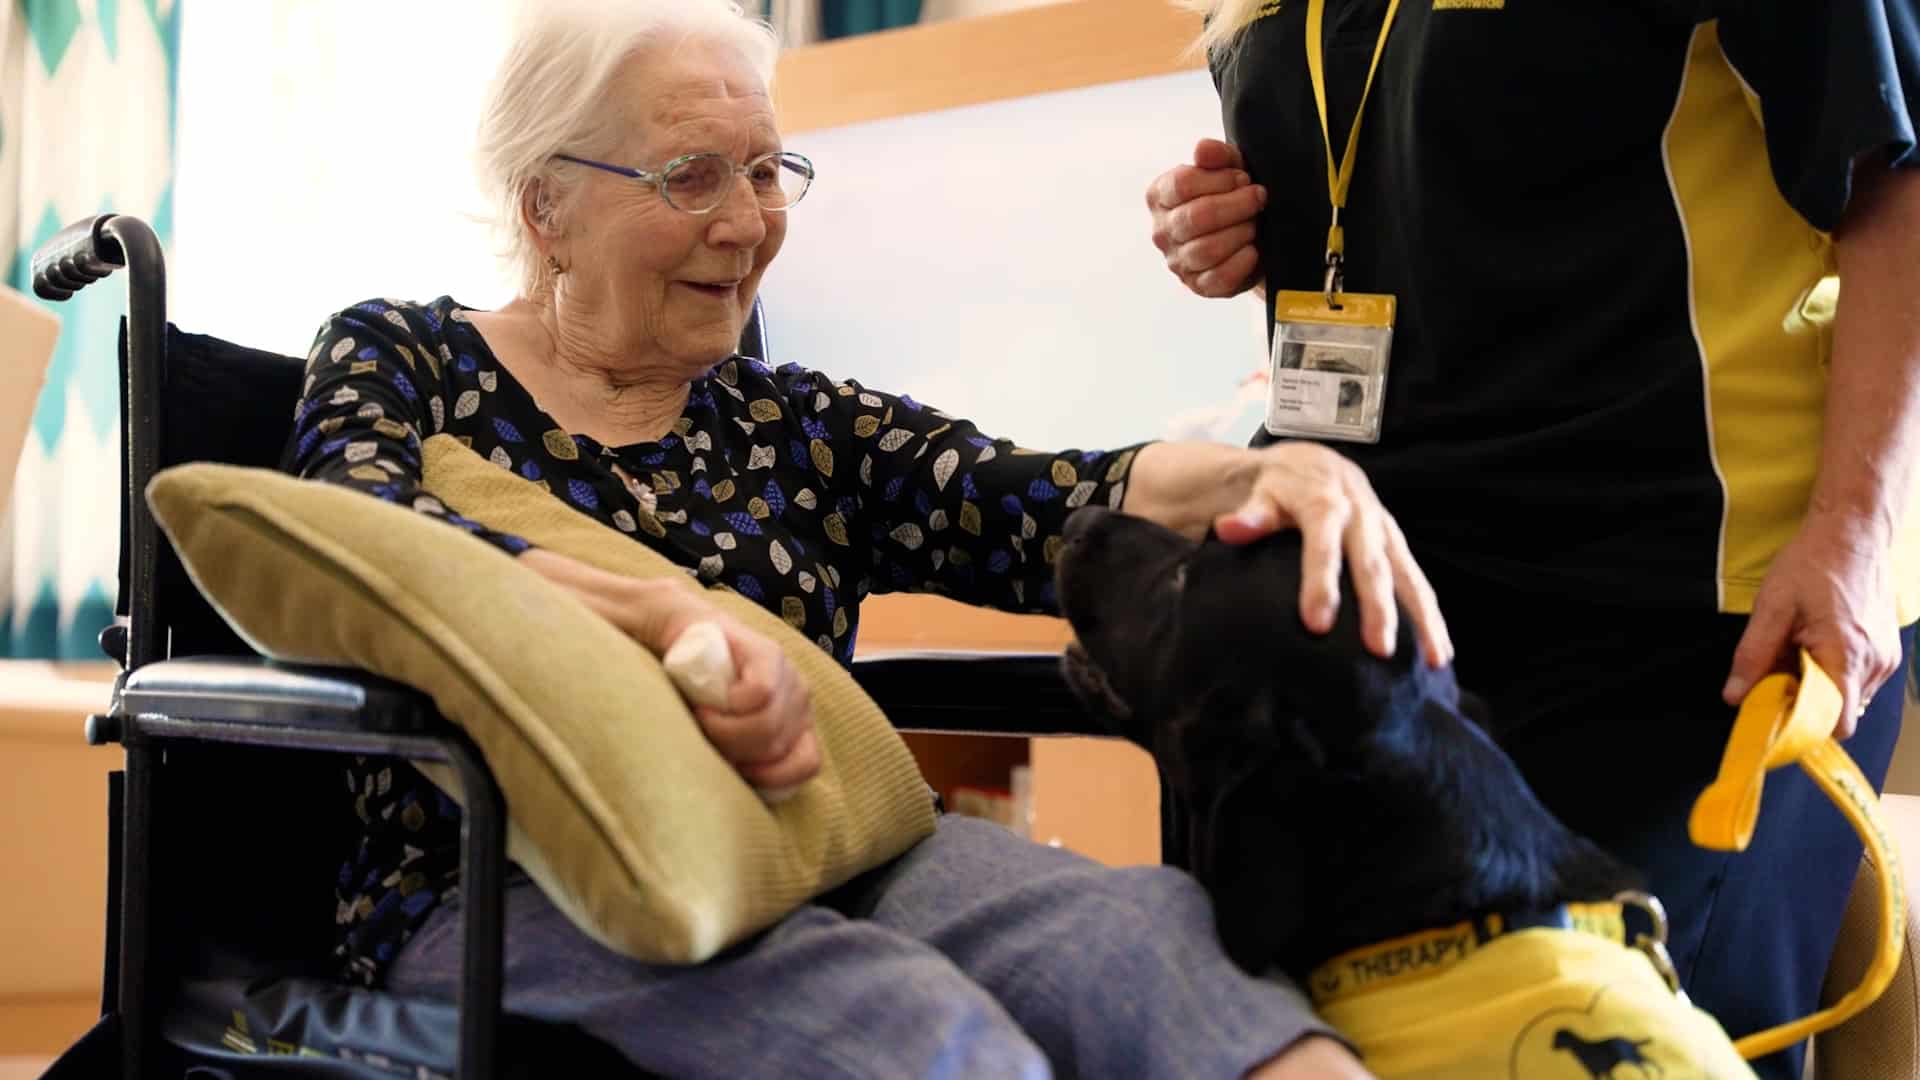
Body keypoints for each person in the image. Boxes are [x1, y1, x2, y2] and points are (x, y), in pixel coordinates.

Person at [282, 1, 1452, 1075]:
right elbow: (359, 544)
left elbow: (1048, 497)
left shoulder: (789, 421)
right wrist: (659, 623)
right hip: (508, 882)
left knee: (1142, 942)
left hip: (830, 850)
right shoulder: (406, 358)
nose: (745, 225)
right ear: (549, 207)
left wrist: (1276, 470)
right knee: (909, 1029)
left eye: (764, 170)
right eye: (691, 178)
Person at [1146, 3, 1919, 1077]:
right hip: (1387, 604)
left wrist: (1855, 530)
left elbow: (1898, 172)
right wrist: (1220, 225)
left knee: (1600, 1043)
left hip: (1680, 602)